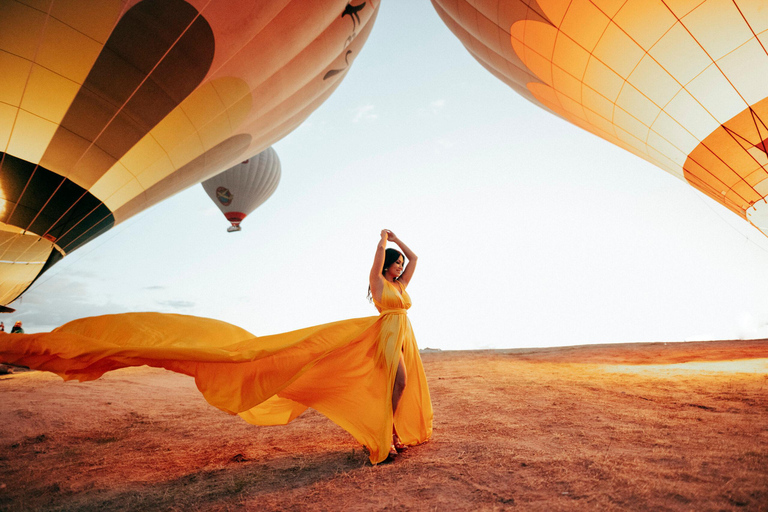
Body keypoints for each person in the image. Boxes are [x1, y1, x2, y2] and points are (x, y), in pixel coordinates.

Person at [0, 230, 433, 464]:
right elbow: (381, 260)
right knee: (392, 383)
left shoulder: (401, 285)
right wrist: (383, 241)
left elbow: (416, 260)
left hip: (402, 335)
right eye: (395, 263)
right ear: (386, 266)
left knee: (400, 382)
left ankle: (390, 432)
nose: (399, 267)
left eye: (398, 265)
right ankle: (387, 436)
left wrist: (404, 241)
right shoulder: (378, 282)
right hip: (382, 334)